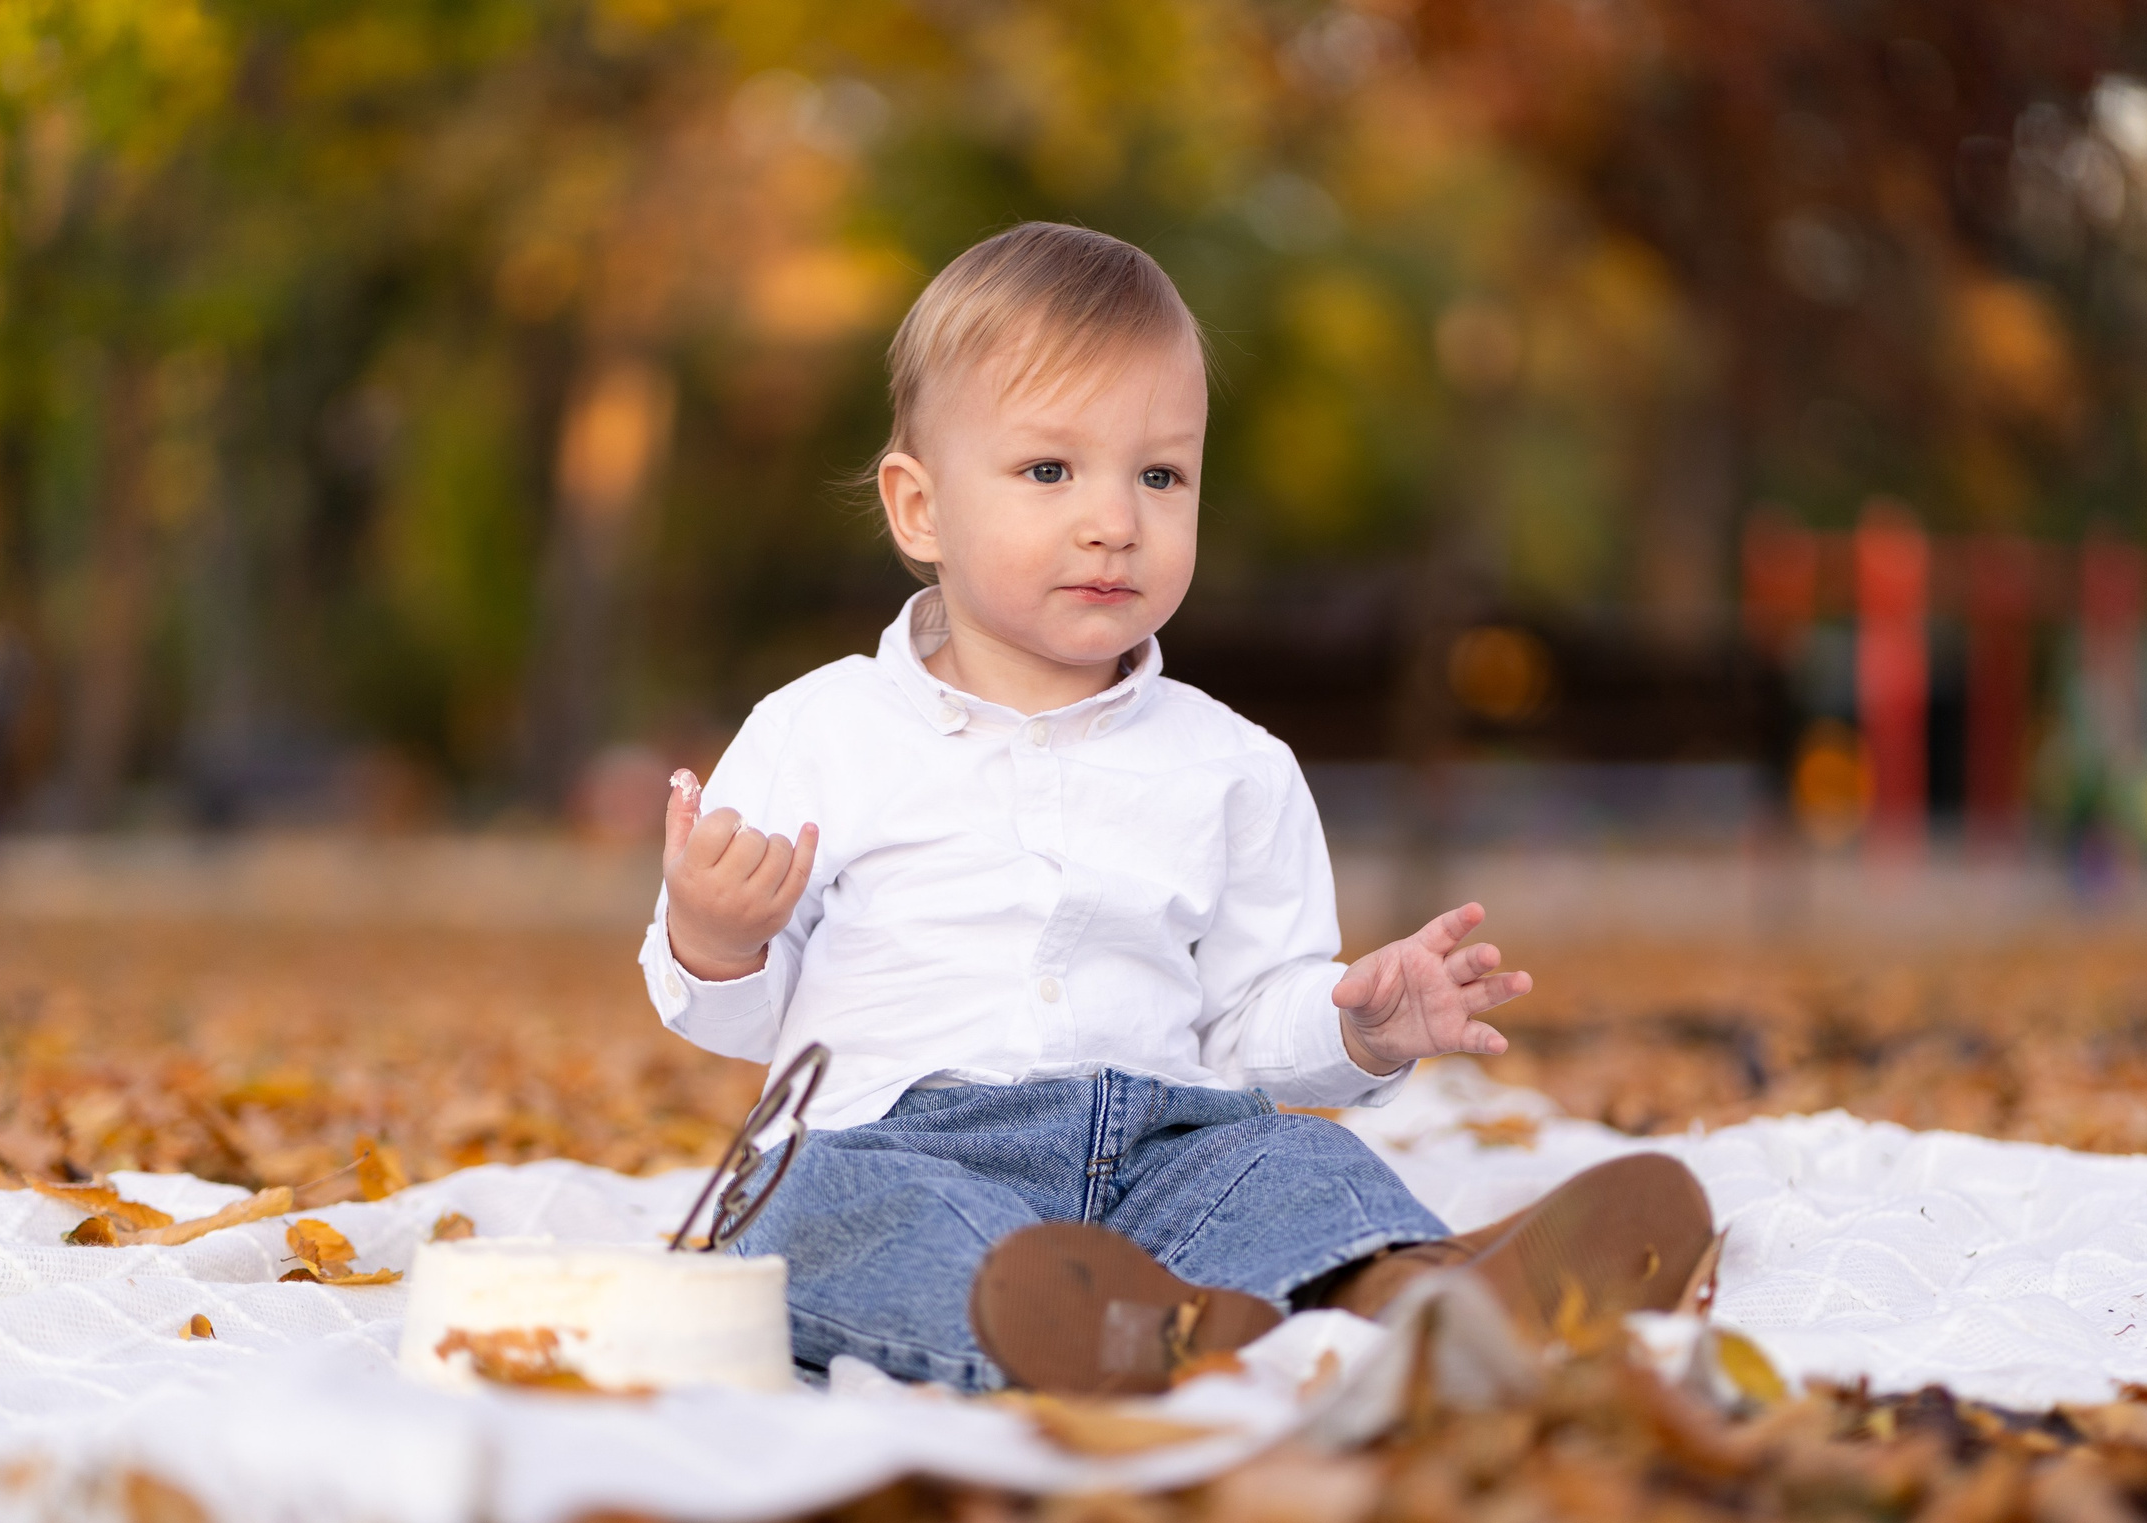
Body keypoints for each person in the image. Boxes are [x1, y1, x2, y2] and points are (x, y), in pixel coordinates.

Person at [642, 223, 1710, 1396]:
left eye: (1159, 474)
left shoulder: (1232, 765)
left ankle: (1414, 1296)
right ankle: (1111, 1329)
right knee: (810, 1206)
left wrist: (1356, 1028)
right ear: (920, 509)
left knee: (1289, 1162)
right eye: (1049, 471)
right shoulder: (819, 732)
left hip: (1157, 1148)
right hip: (902, 1142)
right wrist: (719, 936)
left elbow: (1249, 1027)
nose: (1116, 519)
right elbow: (739, 1025)